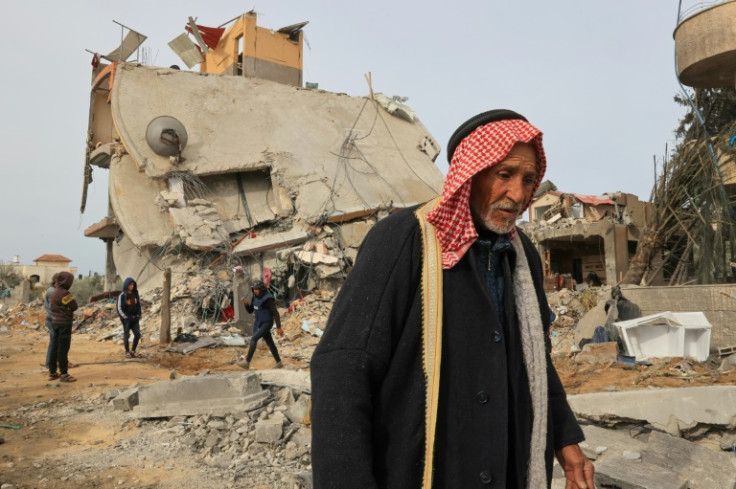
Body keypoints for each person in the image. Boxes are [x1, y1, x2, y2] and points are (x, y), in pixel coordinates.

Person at [310, 109, 595, 489]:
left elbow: (535, 359)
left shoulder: (521, 255)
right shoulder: (403, 241)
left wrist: (565, 439)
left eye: (528, 180)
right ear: (471, 174)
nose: (518, 194)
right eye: (504, 174)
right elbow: (343, 372)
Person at [237, 280, 284, 370]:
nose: (255, 291)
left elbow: (275, 313)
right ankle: (279, 362)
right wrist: (246, 303)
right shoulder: (255, 297)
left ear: (261, 289)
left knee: (254, 339)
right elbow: (251, 310)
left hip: (267, 323)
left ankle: (247, 362)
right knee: (270, 343)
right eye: (254, 289)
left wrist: (279, 327)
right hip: (259, 322)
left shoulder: (268, 299)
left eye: (257, 289)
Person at [48, 271, 78, 383]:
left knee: (54, 347)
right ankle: (64, 373)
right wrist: (68, 309)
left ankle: (52, 372)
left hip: (54, 322)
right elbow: (74, 306)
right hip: (64, 323)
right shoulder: (65, 294)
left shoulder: (54, 292)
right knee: (63, 349)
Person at [117, 277, 142, 358]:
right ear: (126, 285)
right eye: (130, 284)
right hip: (127, 319)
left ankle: (133, 350)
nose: (132, 286)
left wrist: (138, 315)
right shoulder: (122, 296)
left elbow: (138, 305)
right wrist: (126, 317)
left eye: (133, 285)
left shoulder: (135, 294)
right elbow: (119, 308)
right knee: (126, 335)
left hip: (135, 318)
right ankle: (127, 351)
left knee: (137, 334)